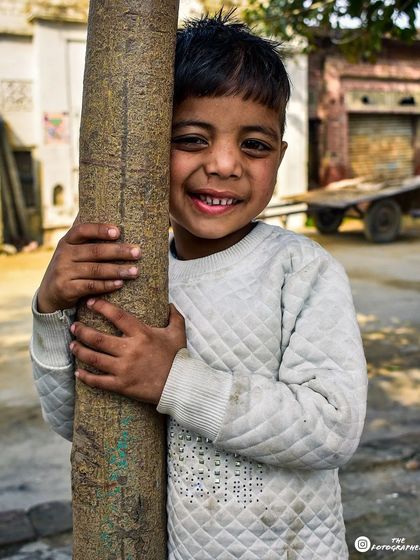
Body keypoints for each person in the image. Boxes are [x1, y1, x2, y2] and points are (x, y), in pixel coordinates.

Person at [31, 12, 367, 559]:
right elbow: (74, 420)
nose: (226, 164)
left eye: (255, 145)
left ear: (280, 157)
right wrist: (50, 311)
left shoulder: (301, 270)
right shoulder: (130, 276)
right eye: (191, 138)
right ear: (147, 150)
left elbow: (333, 426)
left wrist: (173, 379)